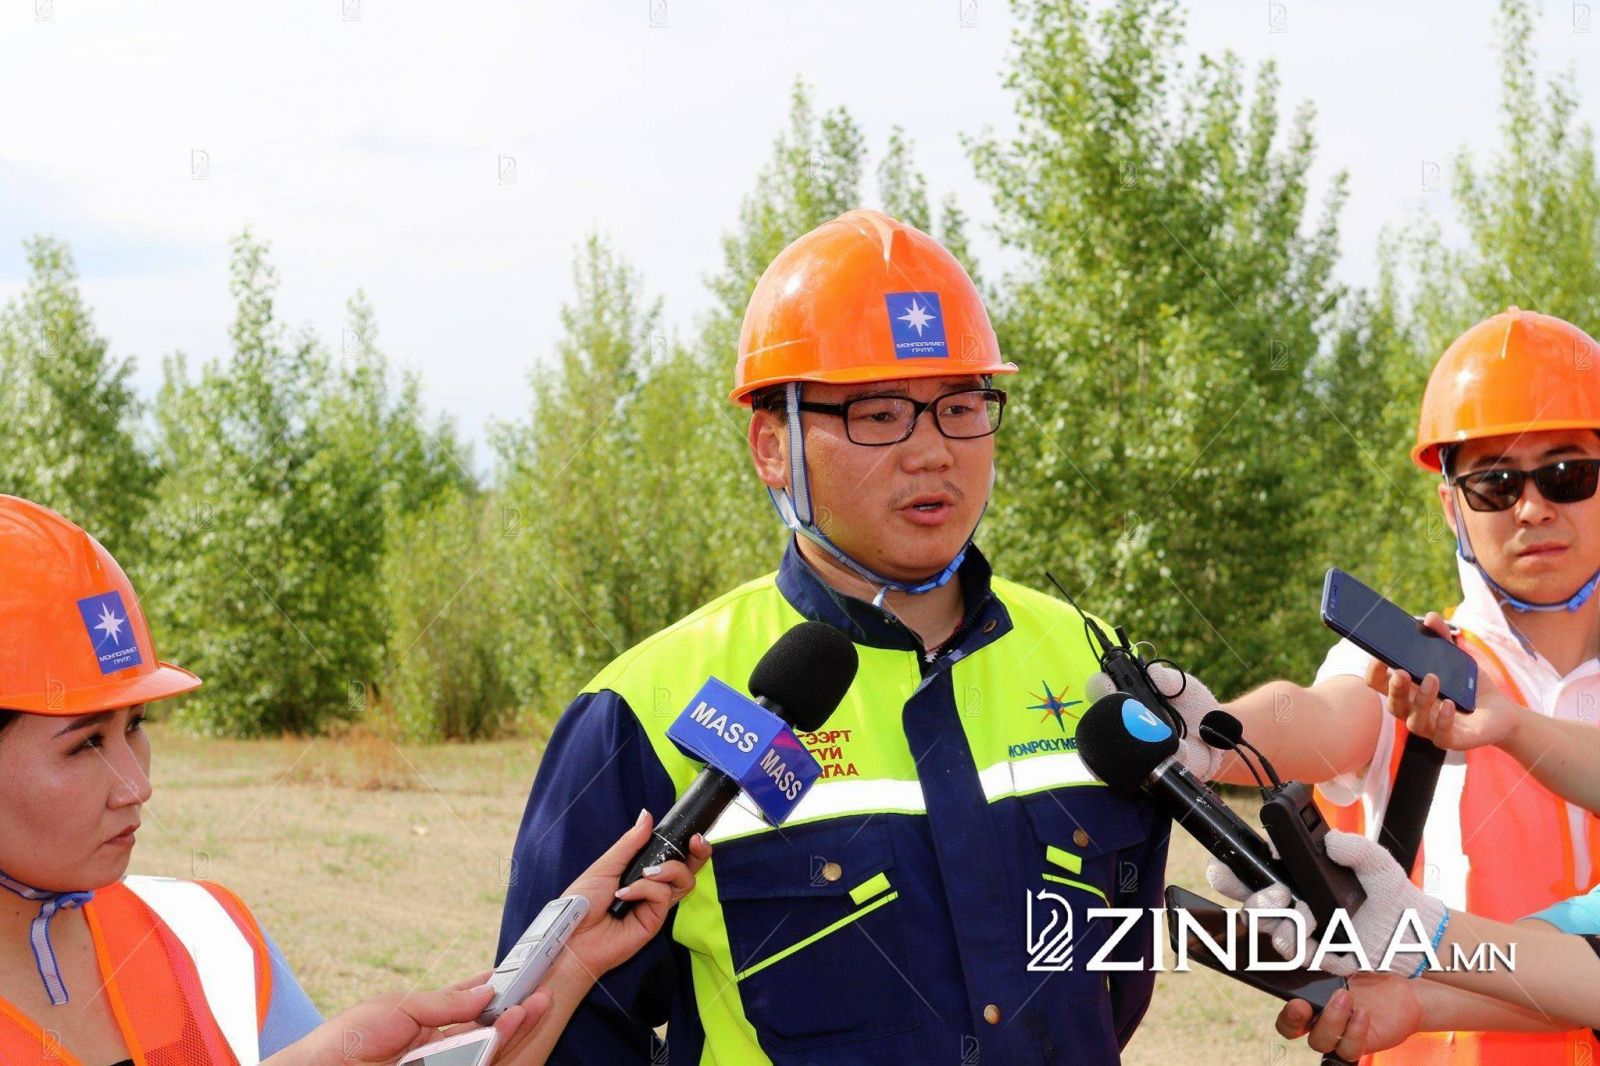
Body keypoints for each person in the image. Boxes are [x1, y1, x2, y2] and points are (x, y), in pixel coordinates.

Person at [496, 208, 1173, 1064]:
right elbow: (555, 1034)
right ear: (772, 447)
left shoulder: (1089, 660)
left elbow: (1113, 984)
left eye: (961, 406)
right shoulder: (645, 706)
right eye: (879, 414)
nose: (933, 452)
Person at [0, 493, 706, 1066]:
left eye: (135, 726)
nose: (135, 785)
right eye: (84, 744)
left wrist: (572, 958)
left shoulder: (207, 936)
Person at [1200, 307, 1600, 1063]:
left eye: (1566, 475)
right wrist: (1206, 732)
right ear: (1452, 506)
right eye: (1495, 483)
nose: (1533, 508)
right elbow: (1318, 719)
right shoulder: (1415, 665)